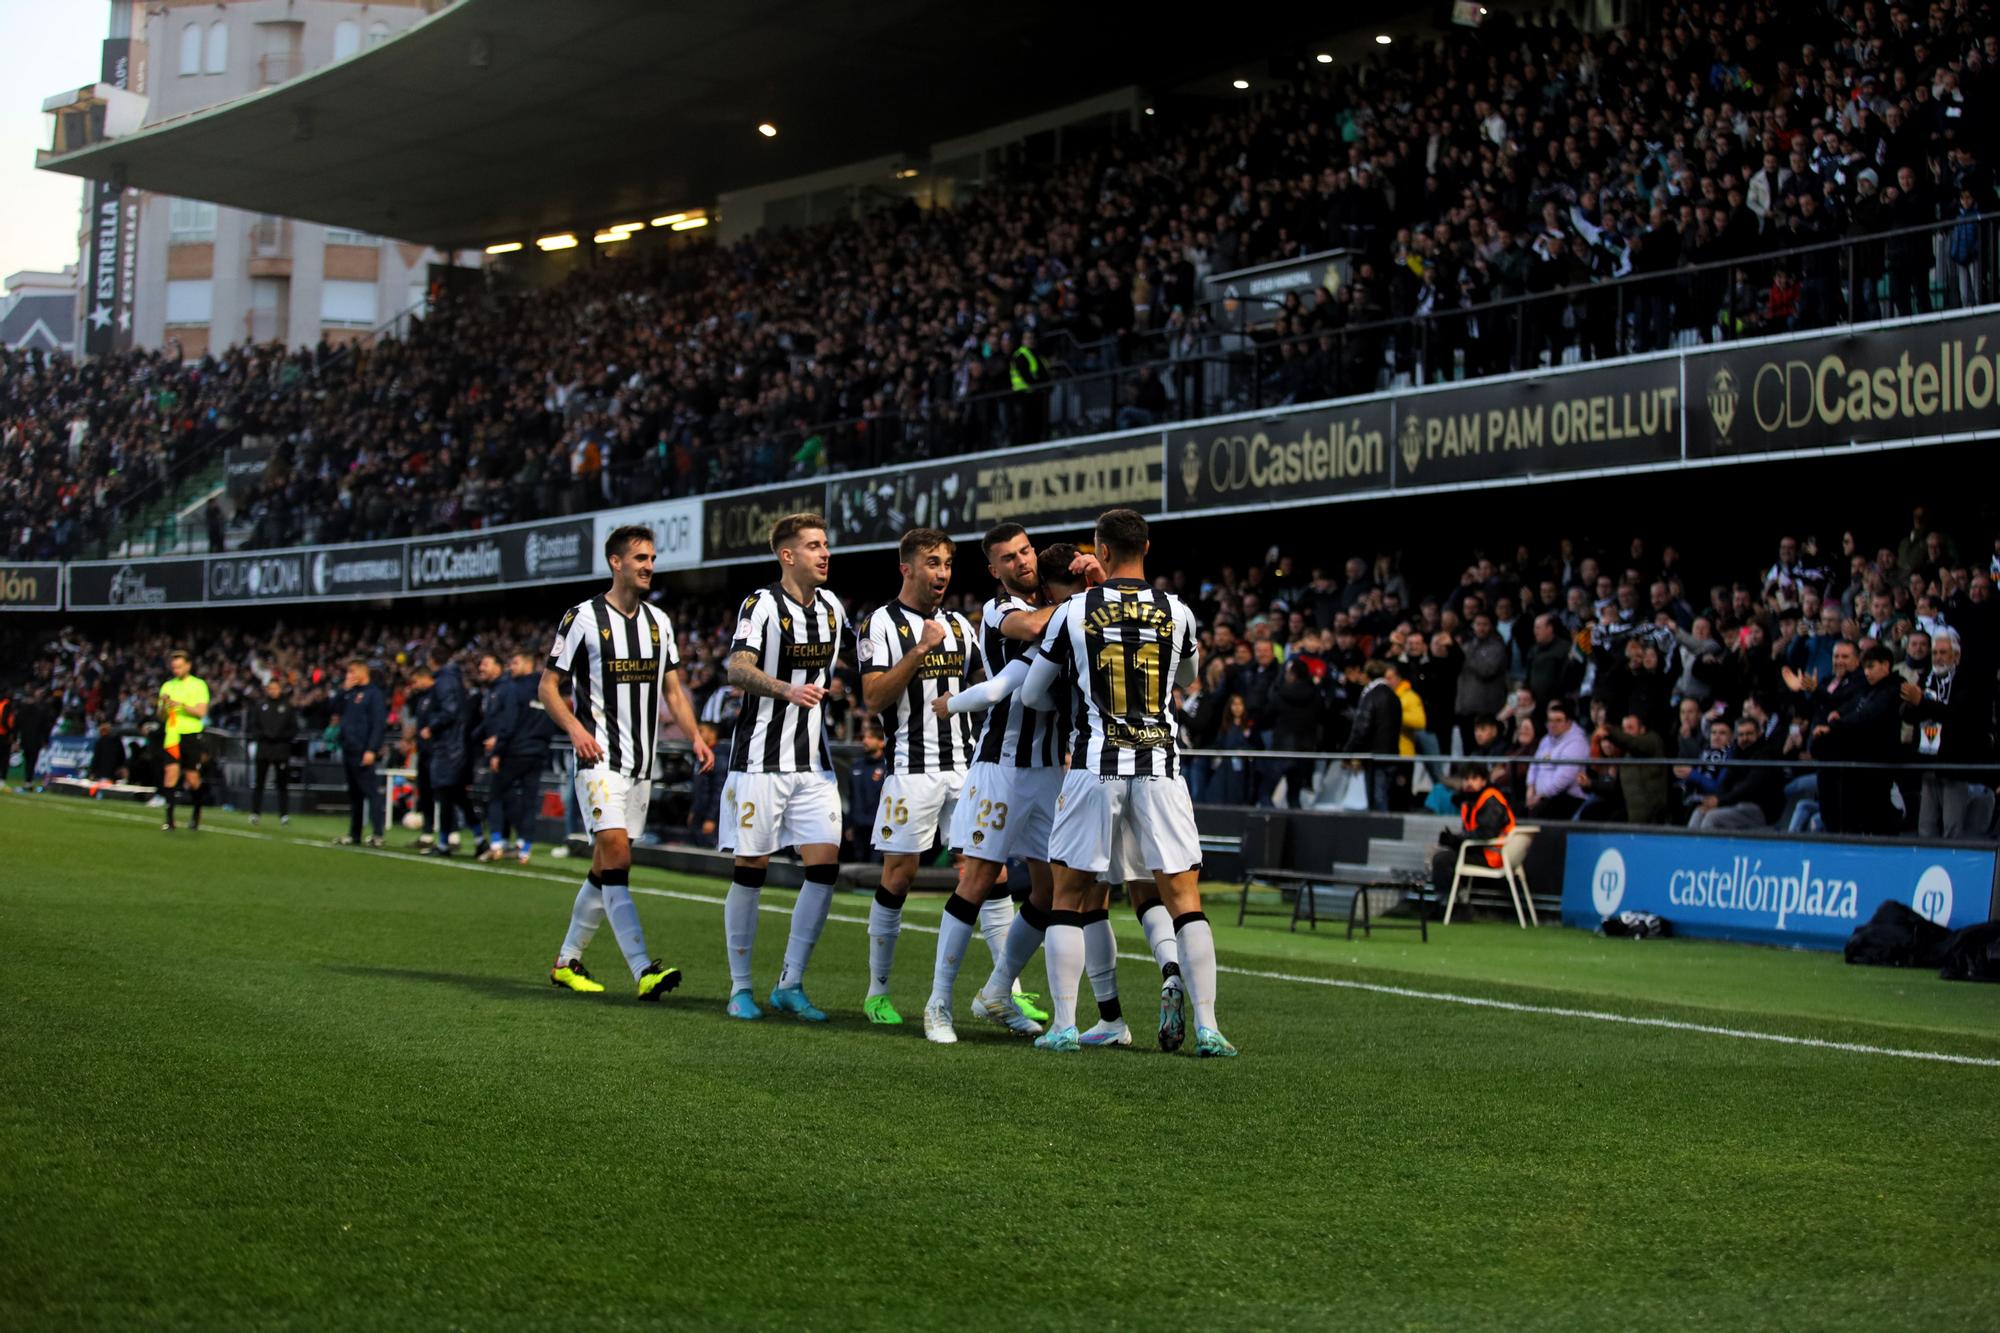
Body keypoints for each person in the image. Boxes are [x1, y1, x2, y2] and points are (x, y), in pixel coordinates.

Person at [1021, 508, 1235, 1057]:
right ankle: (1210, 1028)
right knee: (1184, 897)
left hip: (1096, 761)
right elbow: (1186, 678)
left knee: (1069, 895)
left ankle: (1066, 1024)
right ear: (1148, 546)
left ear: (1102, 551)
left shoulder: (1072, 610)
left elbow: (1031, 694)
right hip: (1161, 764)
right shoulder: (1178, 610)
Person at [541, 523, 712, 1000]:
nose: (649, 566)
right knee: (617, 854)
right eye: (640, 558)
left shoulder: (659, 622)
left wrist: (695, 736)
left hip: (641, 766)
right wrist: (576, 730)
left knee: (605, 867)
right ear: (616, 562)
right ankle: (643, 969)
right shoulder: (582, 618)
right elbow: (547, 687)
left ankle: (566, 961)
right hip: (599, 760)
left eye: (653, 559)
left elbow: (673, 689)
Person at [917, 524, 1068, 1044]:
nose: (1022, 562)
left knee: (1051, 890)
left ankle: (998, 991)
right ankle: (937, 1003)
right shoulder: (1000, 610)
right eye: (1009, 558)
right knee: (978, 878)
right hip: (1000, 766)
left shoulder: (1061, 603)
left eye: (1026, 551)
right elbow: (1029, 630)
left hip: (1050, 769)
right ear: (994, 569)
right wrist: (1087, 602)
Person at [716, 512, 848, 1021]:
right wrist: (785, 687)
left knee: (824, 867)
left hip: (813, 764)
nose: (825, 553)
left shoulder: (833, 607)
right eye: (814, 545)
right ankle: (740, 987)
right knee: (752, 868)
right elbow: (737, 668)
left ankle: (790, 982)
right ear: (787, 555)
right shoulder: (762, 605)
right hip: (760, 761)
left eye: (826, 544)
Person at [856, 526, 979, 1026]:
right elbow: (873, 698)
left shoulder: (962, 625)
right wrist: (919, 651)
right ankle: (877, 991)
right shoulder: (879, 624)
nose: (943, 573)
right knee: (899, 875)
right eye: (932, 563)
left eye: (947, 563)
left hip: (966, 769)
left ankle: (1004, 990)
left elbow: (984, 685)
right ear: (906, 567)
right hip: (911, 768)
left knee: (983, 870)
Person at [1812, 644, 1904, 835]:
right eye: (1865, 668)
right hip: (1861, 763)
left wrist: (1836, 725)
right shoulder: (1868, 689)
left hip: (1877, 763)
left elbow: (1868, 715)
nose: (1867, 672)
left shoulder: (1893, 688)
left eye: (1871, 667)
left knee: (1876, 818)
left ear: (1886, 665)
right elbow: (1849, 706)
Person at [1901, 629, 1986, 838]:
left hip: (1954, 764)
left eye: (1943, 653)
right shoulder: (1926, 679)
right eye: (1935, 653)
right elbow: (1908, 716)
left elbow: (1957, 715)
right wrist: (1912, 704)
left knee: (1952, 827)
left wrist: (1922, 702)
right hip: (1928, 762)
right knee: (1926, 826)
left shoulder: (1967, 680)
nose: (1937, 658)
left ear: (1956, 656)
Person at [479, 651, 552, 863]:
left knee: (496, 794)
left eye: (515, 662)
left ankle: (496, 844)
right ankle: (524, 848)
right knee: (529, 801)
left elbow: (509, 723)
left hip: (515, 751)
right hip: (538, 752)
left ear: (528, 664)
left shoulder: (514, 688)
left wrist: (498, 750)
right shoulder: (547, 689)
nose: (511, 666)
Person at [417, 644, 484, 857]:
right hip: (455, 746)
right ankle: (479, 838)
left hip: (449, 748)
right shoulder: (453, 678)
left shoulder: (444, 680)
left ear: (432, 660)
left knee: (446, 794)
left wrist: (431, 726)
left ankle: (445, 844)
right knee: (457, 795)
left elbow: (450, 711)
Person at [1430, 765, 1514, 909]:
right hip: (1481, 851)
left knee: (1442, 859)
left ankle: (1447, 905)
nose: (1469, 783)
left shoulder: (1490, 799)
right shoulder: (1471, 801)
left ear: (1483, 781)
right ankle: (1453, 900)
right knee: (1436, 853)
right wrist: (1453, 840)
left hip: (1495, 856)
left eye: (1474, 779)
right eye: (1466, 779)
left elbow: (1486, 834)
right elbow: (1474, 832)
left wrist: (1456, 840)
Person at [1688, 717, 1785, 831]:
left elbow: (1750, 787)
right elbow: (1726, 782)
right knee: (1699, 812)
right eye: (1741, 734)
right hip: (1735, 803)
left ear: (1759, 734)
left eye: (1749, 734)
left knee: (1713, 818)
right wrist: (1716, 799)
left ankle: (1710, 848)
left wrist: (1721, 801)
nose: (1745, 738)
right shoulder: (1737, 753)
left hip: (1759, 808)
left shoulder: (1766, 754)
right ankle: (1693, 848)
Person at [157, 649, 210, 832]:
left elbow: (201, 712)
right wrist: (164, 705)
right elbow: (161, 716)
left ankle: (196, 813)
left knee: (192, 777)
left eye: (179, 666)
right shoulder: (167, 686)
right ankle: (169, 820)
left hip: (191, 735)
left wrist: (181, 705)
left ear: (188, 665)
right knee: (170, 773)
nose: (176, 670)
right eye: (174, 667)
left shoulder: (199, 685)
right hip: (172, 734)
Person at [336, 659, 387, 847]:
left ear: (362, 673)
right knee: (355, 794)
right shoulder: (351, 693)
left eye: (352, 672)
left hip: (363, 750)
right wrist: (343, 690)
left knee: (371, 793)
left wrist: (371, 749)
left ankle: (377, 834)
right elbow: (333, 709)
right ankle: (354, 833)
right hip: (348, 748)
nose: (349, 675)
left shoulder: (374, 695)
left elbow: (378, 724)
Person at [1346, 660, 1401, 812]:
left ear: (1367, 675)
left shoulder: (1371, 696)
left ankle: (1382, 833)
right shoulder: (1394, 696)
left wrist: (1348, 753)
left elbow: (1362, 729)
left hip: (1375, 756)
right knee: (1383, 797)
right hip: (1391, 753)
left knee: (1377, 800)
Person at [1525, 698, 1589, 821]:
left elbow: (1563, 779)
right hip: (1540, 797)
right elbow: (1534, 766)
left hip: (1567, 798)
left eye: (1558, 721)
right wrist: (1530, 789)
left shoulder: (1577, 743)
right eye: (1550, 721)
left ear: (1568, 723)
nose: (1553, 724)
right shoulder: (1545, 740)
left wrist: (1540, 796)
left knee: (1539, 813)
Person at [248, 678, 299, 825]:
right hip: (263, 749)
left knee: (282, 783)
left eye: (275, 688)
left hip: (281, 750)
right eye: (270, 688)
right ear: (267, 689)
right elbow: (254, 726)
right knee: (259, 782)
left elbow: (293, 729)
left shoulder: (287, 707)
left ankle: (284, 814)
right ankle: (255, 813)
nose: (273, 691)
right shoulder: (260, 705)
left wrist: (280, 737)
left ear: (280, 689)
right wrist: (264, 736)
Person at [1615, 710, 1671, 825]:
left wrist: (1609, 731)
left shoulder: (1652, 741)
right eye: (1623, 729)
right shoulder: (1625, 754)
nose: (1625, 733)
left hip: (1653, 815)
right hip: (1632, 815)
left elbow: (1633, 743)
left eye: (1630, 728)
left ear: (1642, 729)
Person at [843, 724, 888, 862]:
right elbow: (852, 797)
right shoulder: (856, 766)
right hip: (858, 826)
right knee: (858, 865)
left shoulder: (888, 767)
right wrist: (848, 825)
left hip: (879, 827)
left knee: (875, 867)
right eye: (864, 737)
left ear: (881, 742)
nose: (865, 741)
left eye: (870, 737)